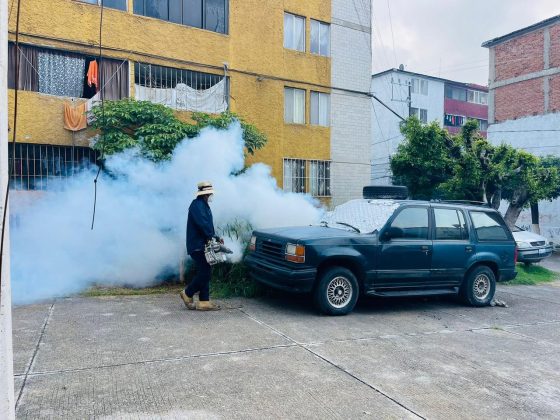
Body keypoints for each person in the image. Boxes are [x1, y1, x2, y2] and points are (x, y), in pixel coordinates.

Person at [180, 181, 221, 311]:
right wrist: (214, 237)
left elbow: (207, 225)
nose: (211, 196)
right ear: (206, 194)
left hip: (201, 244)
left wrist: (216, 237)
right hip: (197, 245)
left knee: (205, 270)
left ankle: (204, 302)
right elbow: (203, 225)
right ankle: (187, 293)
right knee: (205, 273)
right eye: (210, 194)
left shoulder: (202, 205)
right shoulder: (198, 206)